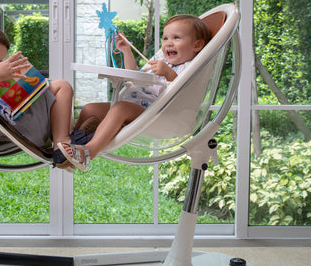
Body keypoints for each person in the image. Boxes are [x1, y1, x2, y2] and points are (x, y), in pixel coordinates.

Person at [58, 14, 211, 171]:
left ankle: (89, 152)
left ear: (197, 45)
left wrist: (169, 74)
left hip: (154, 113)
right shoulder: (162, 61)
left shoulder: (190, 67)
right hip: (135, 104)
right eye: (165, 39)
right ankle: (71, 150)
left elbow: (183, 91)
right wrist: (126, 51)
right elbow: (137, 75)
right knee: (89, 109)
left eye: (176, 38)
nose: (168, 43)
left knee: (120, 108)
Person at [0, 20, 82, 165]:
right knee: (61, 86)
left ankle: (68, 136)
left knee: (51, 86)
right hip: (15, 129)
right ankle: (63, 143)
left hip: (17, 123)